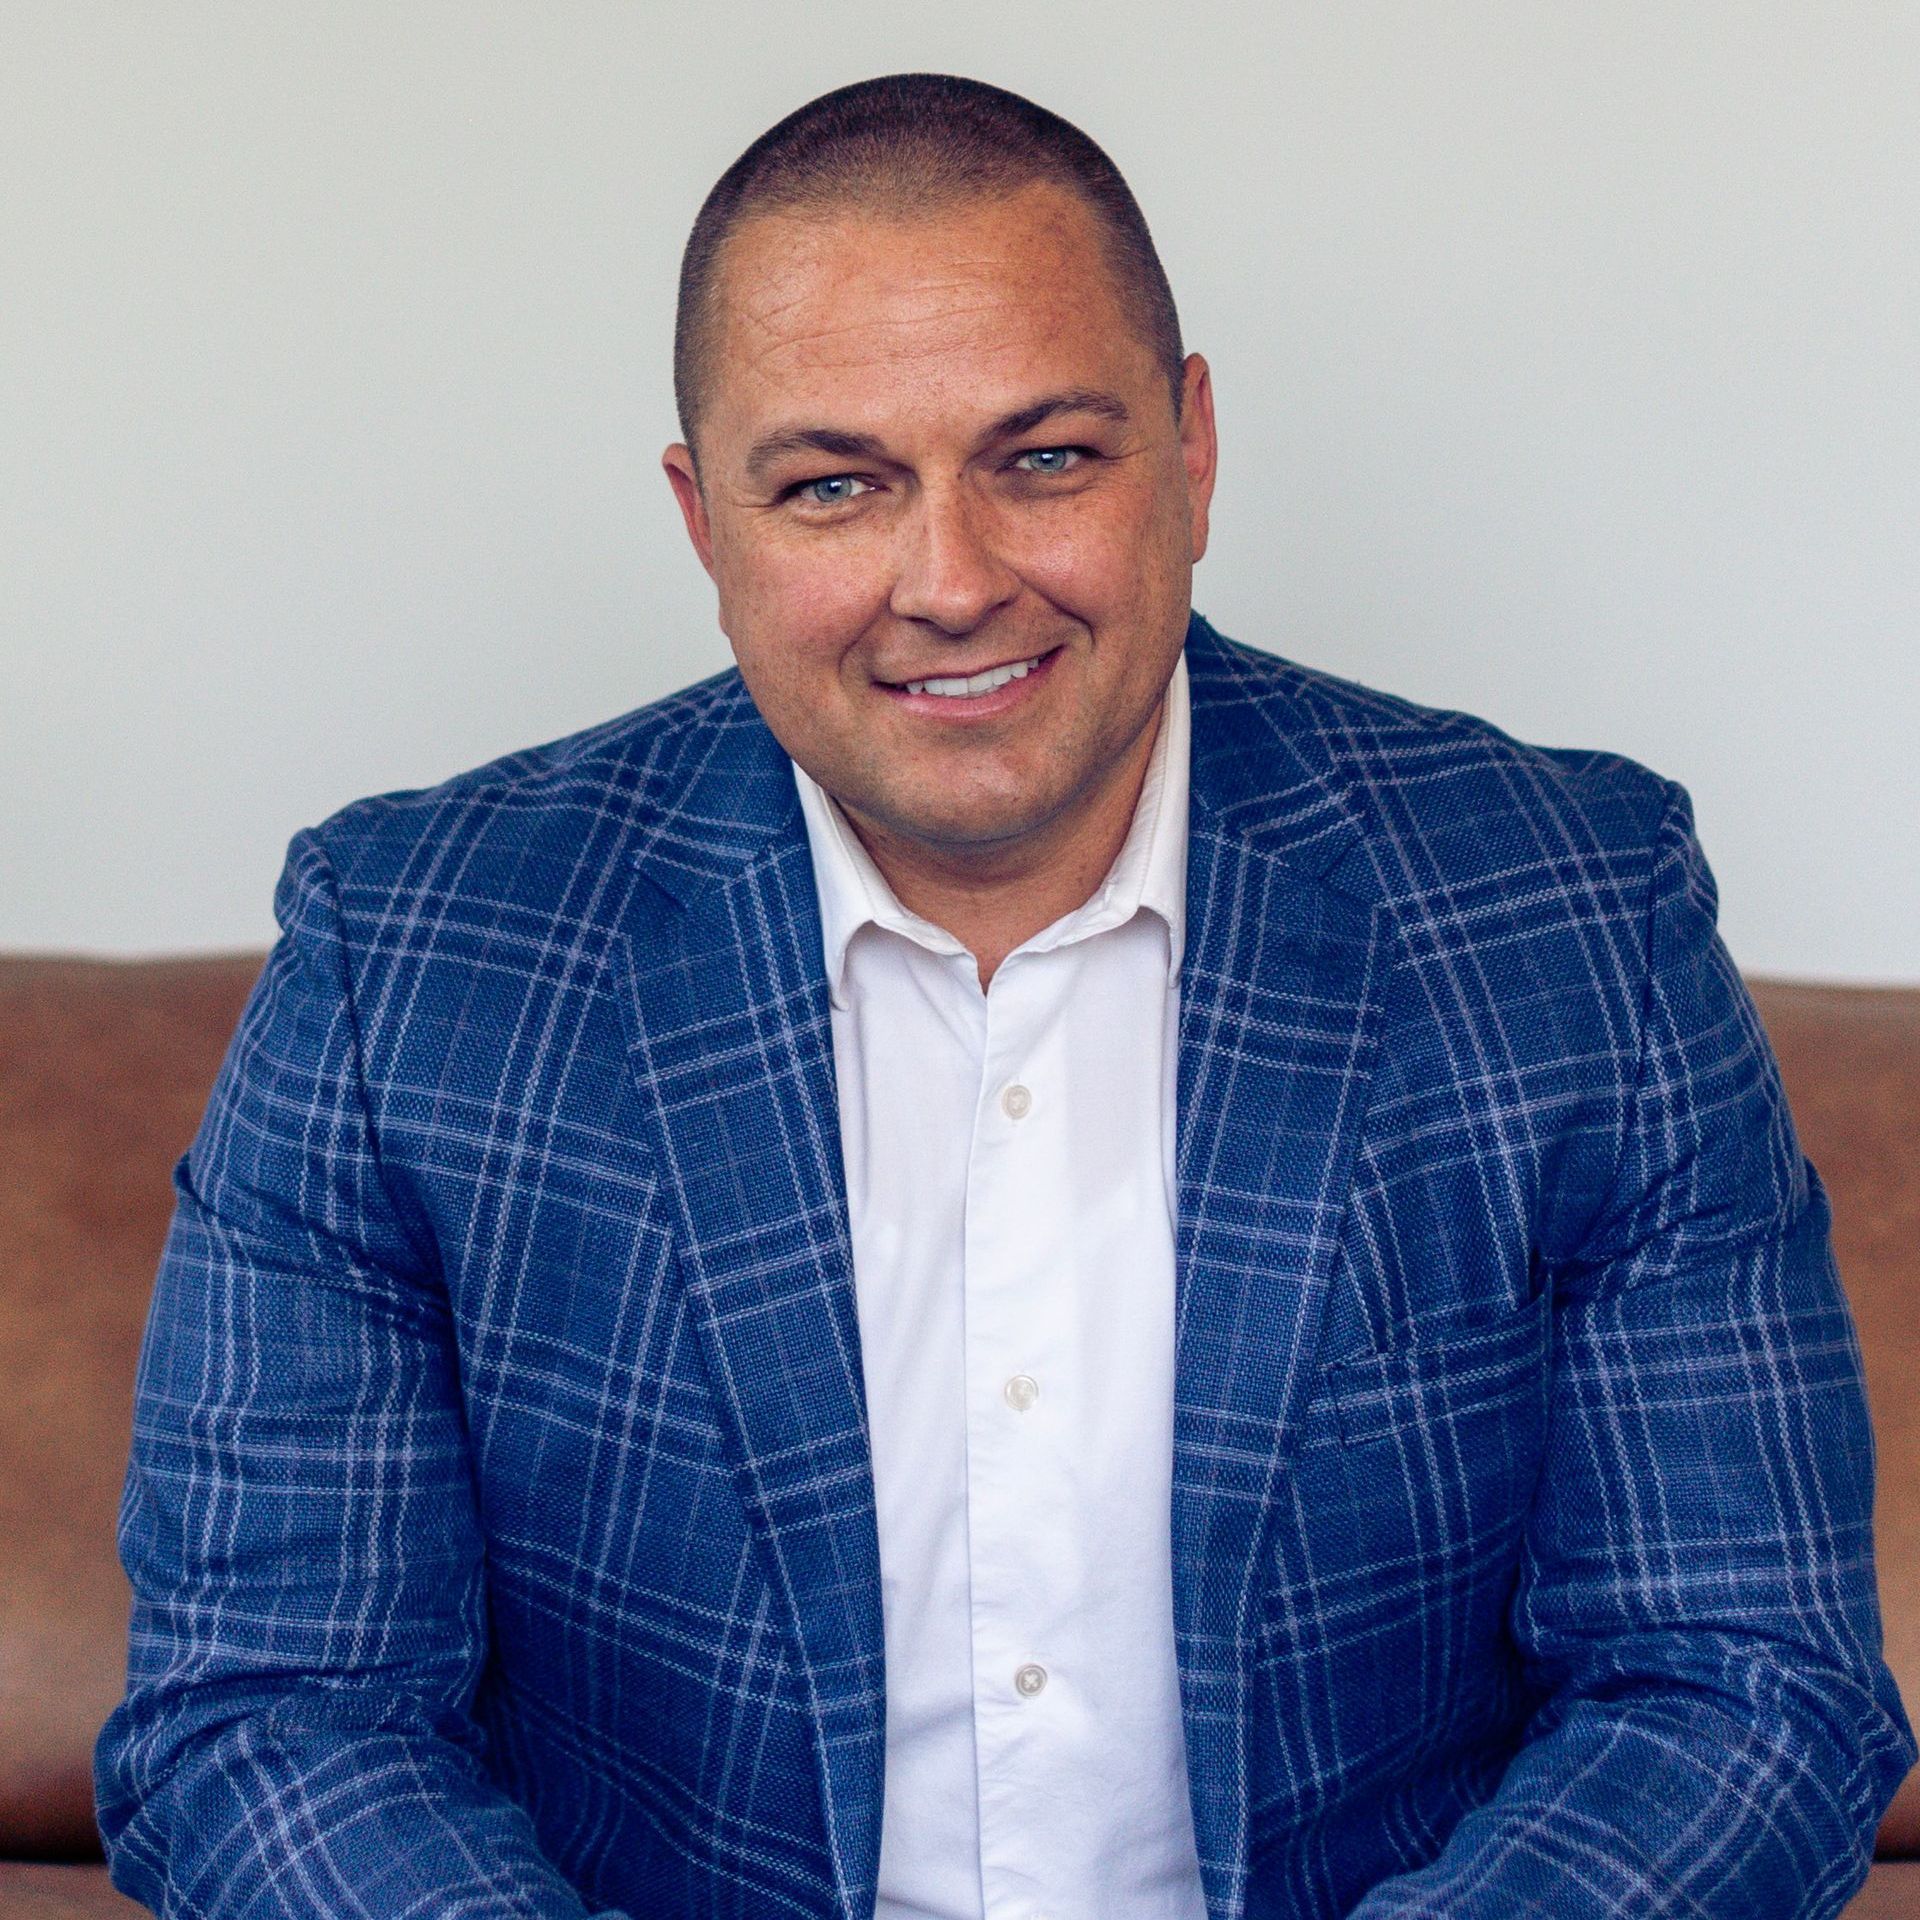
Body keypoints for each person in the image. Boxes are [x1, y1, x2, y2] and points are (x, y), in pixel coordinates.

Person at [96, 72, 1912, 1920]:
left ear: (1192, 451)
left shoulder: (1570, 915)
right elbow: (273, 1711)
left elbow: (1739, 1681)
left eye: (1045, 457)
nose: (951, 583)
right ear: (705, 521)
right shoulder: (411, 958)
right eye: (831, 487)